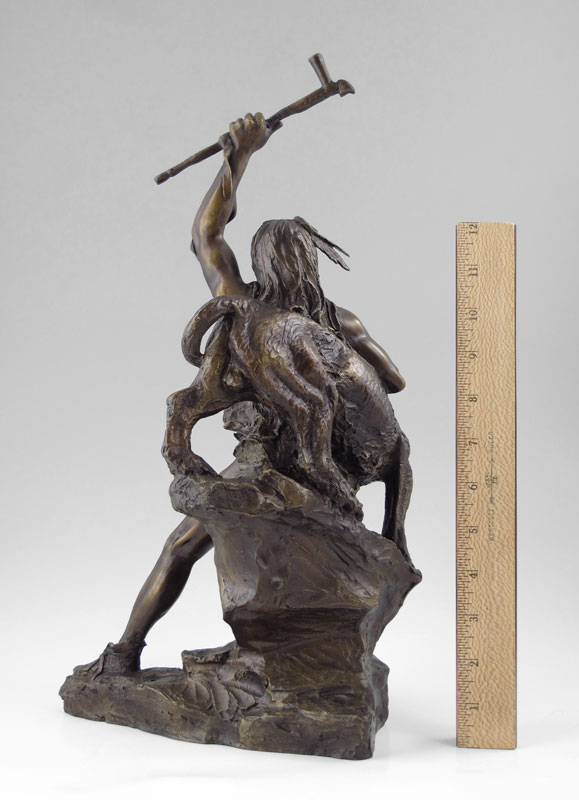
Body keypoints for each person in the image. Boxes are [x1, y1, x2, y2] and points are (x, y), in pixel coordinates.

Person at [78, 113, 406, 675]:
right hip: (327, 467)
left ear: (259, 262)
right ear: (309, 260)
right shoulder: (340, 322)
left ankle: (126, 652)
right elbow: (394, 381)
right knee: (260, 553)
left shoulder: (244, 303)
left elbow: (205, 237)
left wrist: (240, 156)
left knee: (182, 547)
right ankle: (277, 657)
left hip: (274, 462)